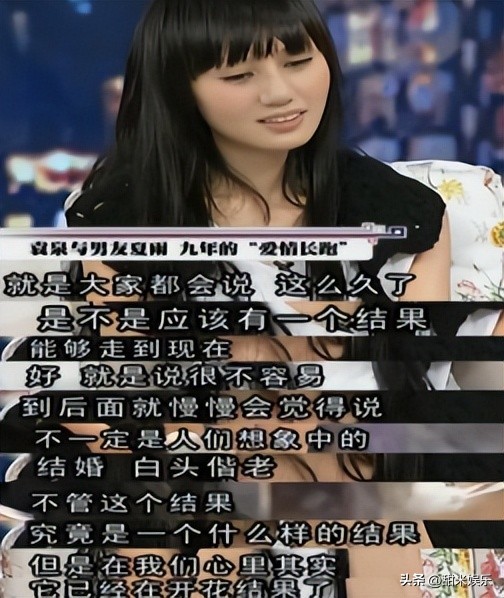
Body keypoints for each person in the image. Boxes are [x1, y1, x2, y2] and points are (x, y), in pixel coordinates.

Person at [58, 0, 504, 583]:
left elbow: (410, 381)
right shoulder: (121, 222)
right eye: (239, 75)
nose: (280, 93)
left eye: (298, 62)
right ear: (179, 88)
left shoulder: (405, 213)